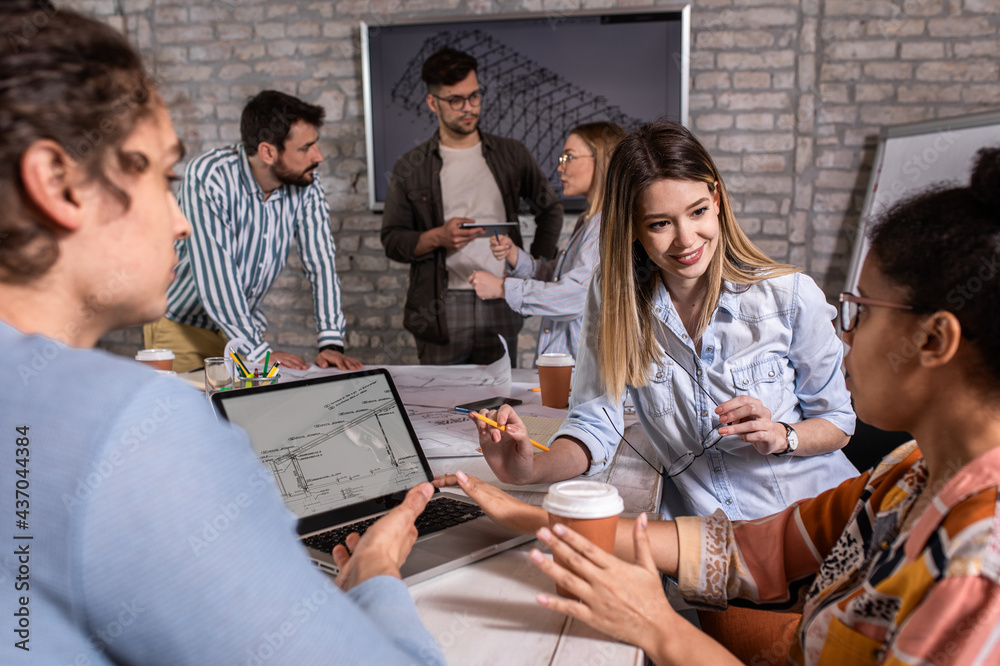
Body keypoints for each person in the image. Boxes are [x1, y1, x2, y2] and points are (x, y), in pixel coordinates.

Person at [440, 147, 1000, 665]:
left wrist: (659, 626)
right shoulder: (901, 478)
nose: (845, 335)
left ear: (932, 340)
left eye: (859, 313)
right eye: (659, 222)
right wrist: (535, 511)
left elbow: (819, 449)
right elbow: (756, 547)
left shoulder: (975, 571)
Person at [0, 9, 443, 665]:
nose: (176, 218)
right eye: (160, 176)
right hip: (189, 328)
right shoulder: (134, 429)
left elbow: (322, 263)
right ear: (60, 184)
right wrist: (376, 578)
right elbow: (211, 273)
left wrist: (325, 337)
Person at [476, 121, 857, 522]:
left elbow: (838, 422)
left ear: (716, 198)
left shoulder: (791, 295)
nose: (686, 239)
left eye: (697, 212)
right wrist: (530, 469)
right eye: (660, 223)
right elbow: (594, 423)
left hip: (817, 520)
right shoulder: (616, 300)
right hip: (713, 543)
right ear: (634, 228)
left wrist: (783, 435)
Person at [144, 90, 363, 373]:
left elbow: (320, 263)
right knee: (185, 413)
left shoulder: (306, 181)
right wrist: (258, 352)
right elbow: (216, 277)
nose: (318, 156)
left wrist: (331, 342)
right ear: (268, 152)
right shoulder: (210, 177)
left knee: (242, 414)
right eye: (305, 147)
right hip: (184, 328)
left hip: (241, 332)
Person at [381, 47, 564, 367]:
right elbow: (393, 241)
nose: (468, 108)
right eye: (455, 100)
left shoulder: (512, 154)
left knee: (503, 402)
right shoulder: (411, 165)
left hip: (502, 297)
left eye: (474, 96)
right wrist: (438, 237)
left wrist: (533, 266)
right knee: (439, 405)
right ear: (432, 102)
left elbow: (550, 209)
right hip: (441, 306)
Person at [468, 121, 626, 359]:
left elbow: (577, 294)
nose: (560, 168)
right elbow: (559, 276)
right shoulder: (588, 221)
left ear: (603, 160)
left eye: (569, 158)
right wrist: (515, 256)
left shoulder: (606, 225)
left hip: (579, 375)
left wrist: (502, 288)